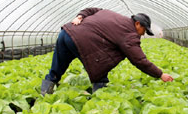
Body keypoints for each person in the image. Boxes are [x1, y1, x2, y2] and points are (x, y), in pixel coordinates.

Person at [40, 7, 174, 95]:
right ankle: (99, 100)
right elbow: (139, 60)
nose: (143, 34)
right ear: (137, 24)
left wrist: (80, 16)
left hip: (66, 32)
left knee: (58, 66)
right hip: (82, 41)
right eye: (144, 30)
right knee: (100, 69)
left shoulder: (110, 14)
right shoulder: (129, 33)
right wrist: (160, 74)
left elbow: (91, 10)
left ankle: (45, 93)